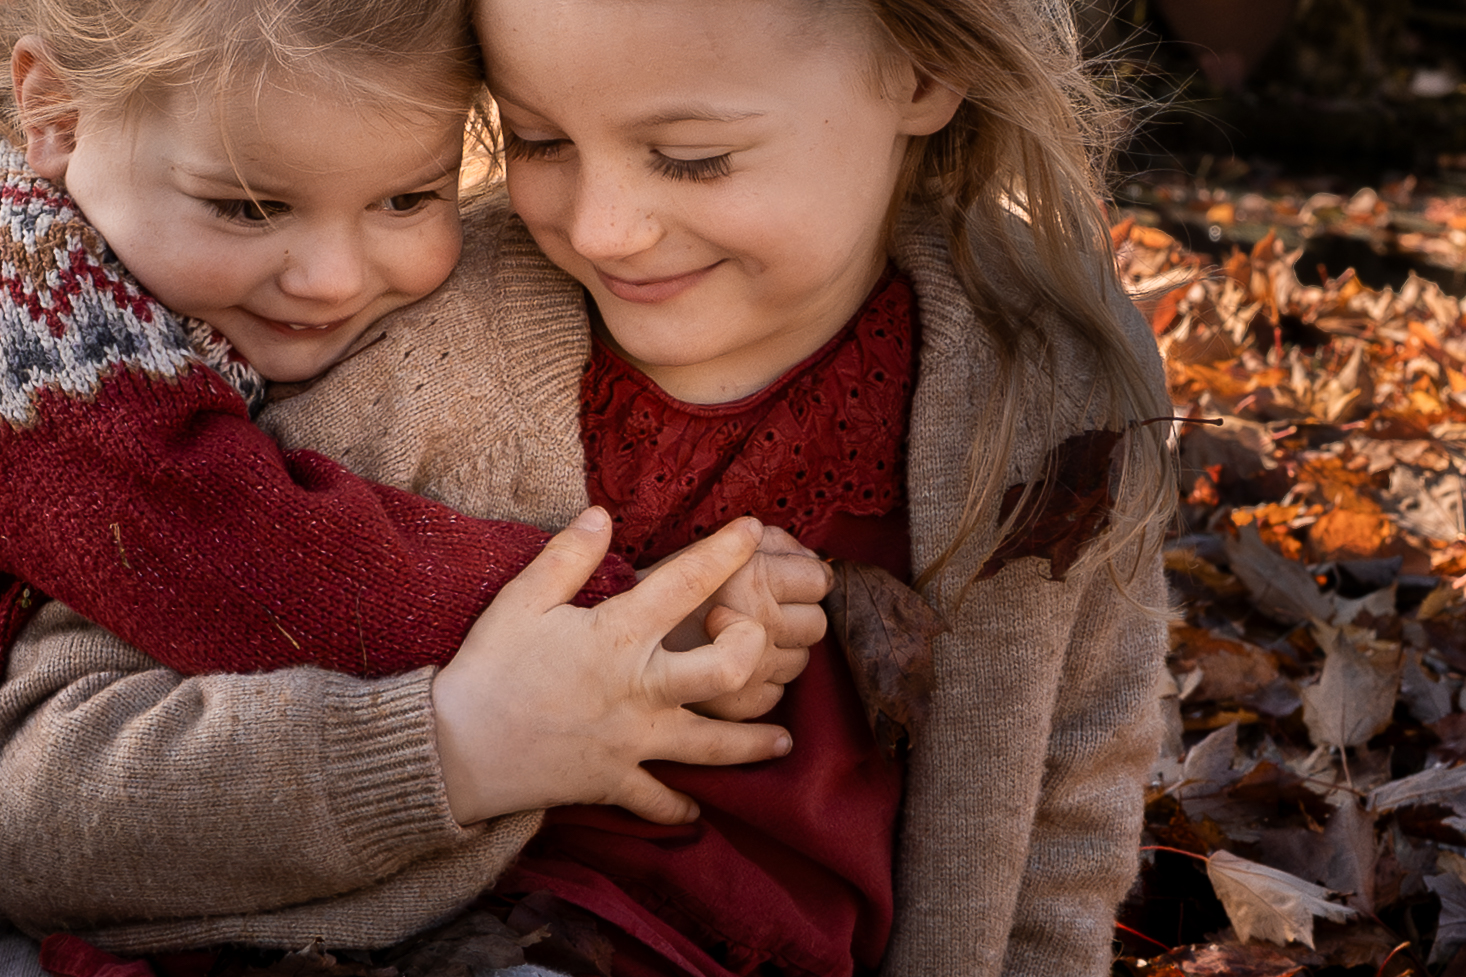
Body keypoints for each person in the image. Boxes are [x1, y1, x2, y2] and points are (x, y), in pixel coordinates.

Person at [1, 0, 1176, 975]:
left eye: (691, 155)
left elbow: (1064, 811)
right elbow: (43, 810)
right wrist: (447, 746)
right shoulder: (393, 342)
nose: (604, 228)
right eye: (538, 141)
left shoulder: (1054, 382)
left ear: (925, 68)